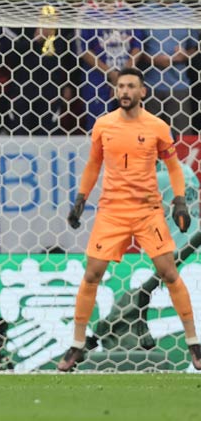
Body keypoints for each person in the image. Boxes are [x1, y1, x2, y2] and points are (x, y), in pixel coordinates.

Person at [59, 68, 201, 372]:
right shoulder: (103, 126)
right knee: (92, 274)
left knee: (170, 273)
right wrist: (81, 200)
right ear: (116, 91)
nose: (124, 91)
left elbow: (174, 168)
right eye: (121, 86)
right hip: (112, 212)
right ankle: (77, 344)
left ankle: (193, 344)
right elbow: (93, 165)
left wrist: (179, 202)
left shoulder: (157, 127)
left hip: (147, 211)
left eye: (131, 86)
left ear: (142, 92)